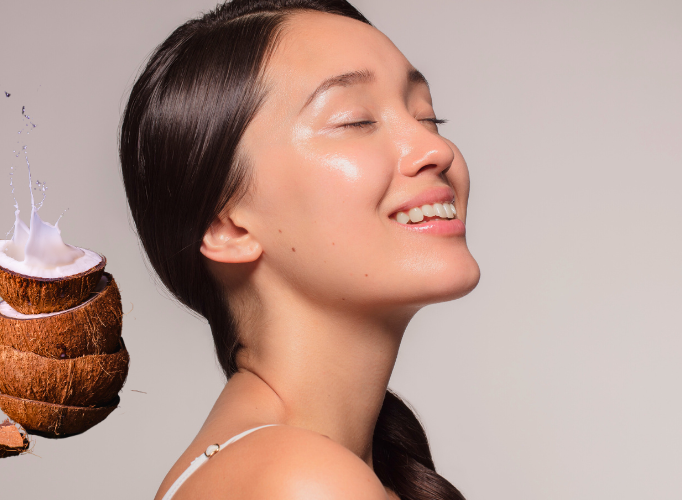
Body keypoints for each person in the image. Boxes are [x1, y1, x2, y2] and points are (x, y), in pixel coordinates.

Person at [119, 1, 480, 498]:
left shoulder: (286, 463)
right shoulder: (300, 480)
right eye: (356, 120)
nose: (436, 149)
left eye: (427, 115)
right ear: (227, 226)